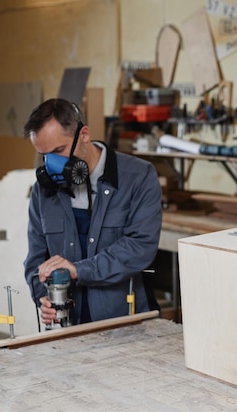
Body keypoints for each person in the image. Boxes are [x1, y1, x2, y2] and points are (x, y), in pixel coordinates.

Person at [23, 98, 162, 328]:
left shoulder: (138, 177)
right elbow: (35, 258)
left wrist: (79, 270)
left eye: (59, 151)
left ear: (84, 134)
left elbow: (140, 247)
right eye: (45, 156)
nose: (53, 165)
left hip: (126, 324)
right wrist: (42, 296)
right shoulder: (44, 191)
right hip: (68, 327)